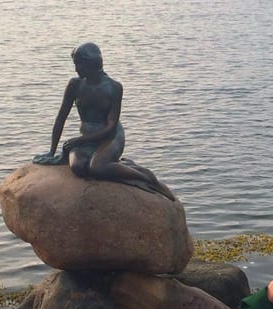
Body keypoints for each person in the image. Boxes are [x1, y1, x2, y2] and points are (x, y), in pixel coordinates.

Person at [34, 42, 174, 201]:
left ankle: (147, 179)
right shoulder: (75, 85)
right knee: (78, 168)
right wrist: (52, 151)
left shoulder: (114, 87)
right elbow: (61, 118)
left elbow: (111, 125)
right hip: (87, 137)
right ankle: (118, 166)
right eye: (75, 64)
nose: (76, 69)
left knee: (97, 168)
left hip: (110, 136)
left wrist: (79, 140)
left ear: (91, 63)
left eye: (79, 64)